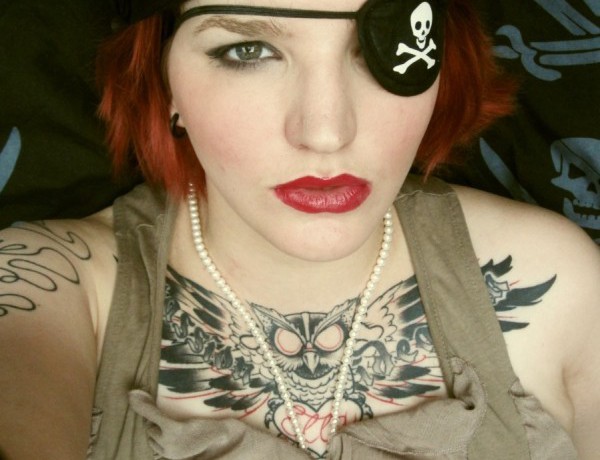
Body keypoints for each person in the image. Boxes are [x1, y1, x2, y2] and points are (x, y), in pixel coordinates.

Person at [0, 0, 598, 458]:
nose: (326, 131)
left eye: (379, 48)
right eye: (248, 50)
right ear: (163, 80)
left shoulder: (556, 279)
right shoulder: (53, 286)